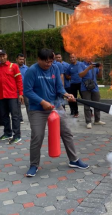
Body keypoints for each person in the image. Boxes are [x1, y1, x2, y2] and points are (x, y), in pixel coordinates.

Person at [23, 48, 89, 177]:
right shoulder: (32, 71)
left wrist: (66, 94)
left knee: (67, 133)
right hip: (38, 109)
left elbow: (59, 87)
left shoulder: (55, 68)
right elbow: (27, 91)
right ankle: (34, 165)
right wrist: (42, 102)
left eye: (51, 61)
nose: (48, 64)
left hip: (56, 106)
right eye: (46, 62)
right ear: (39, 59)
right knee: (37, 136)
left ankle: (74, 160)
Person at [0, 50, 24, 144]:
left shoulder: (13, 66)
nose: (2, 58)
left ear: (6, 55)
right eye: (0, 56)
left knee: (15, 116)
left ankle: (17, 135)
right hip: (1, 97)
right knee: (4, 116)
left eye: (3, 55)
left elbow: (19, 81)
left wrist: (20, 93)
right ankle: (7, 133)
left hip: (12, 95)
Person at [79, 59, 106, 129]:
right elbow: (80, 75)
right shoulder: (81, 64)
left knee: (97, 104)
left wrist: (100, 69)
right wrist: (88, 68)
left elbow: (99, 76)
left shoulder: (94, 64)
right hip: (85, 88)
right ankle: (88, 122)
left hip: (94, 87)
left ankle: (97, 120)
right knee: (87, 105)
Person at [65, 53, 82, 118]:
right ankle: (76, 112)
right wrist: (72, 77)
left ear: (76, 57)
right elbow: (67, 75)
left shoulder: (81, 64)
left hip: (81, 84)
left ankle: (89, 111)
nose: (72, 59)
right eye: (71, 58)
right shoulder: (69, 66)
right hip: (73, 84)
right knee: (73, 99)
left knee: (84, 97)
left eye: (73, 57)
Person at [16, 53, 29, 124]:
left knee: (28, 103)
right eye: (20, 59)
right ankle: (20, 119)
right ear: (16, 59)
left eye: (23, 59)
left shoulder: (27, 68)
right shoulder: (13, 67)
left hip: (26, 89)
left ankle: (30, 117)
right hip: (16, 89)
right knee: (18, 104)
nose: (22, 61)